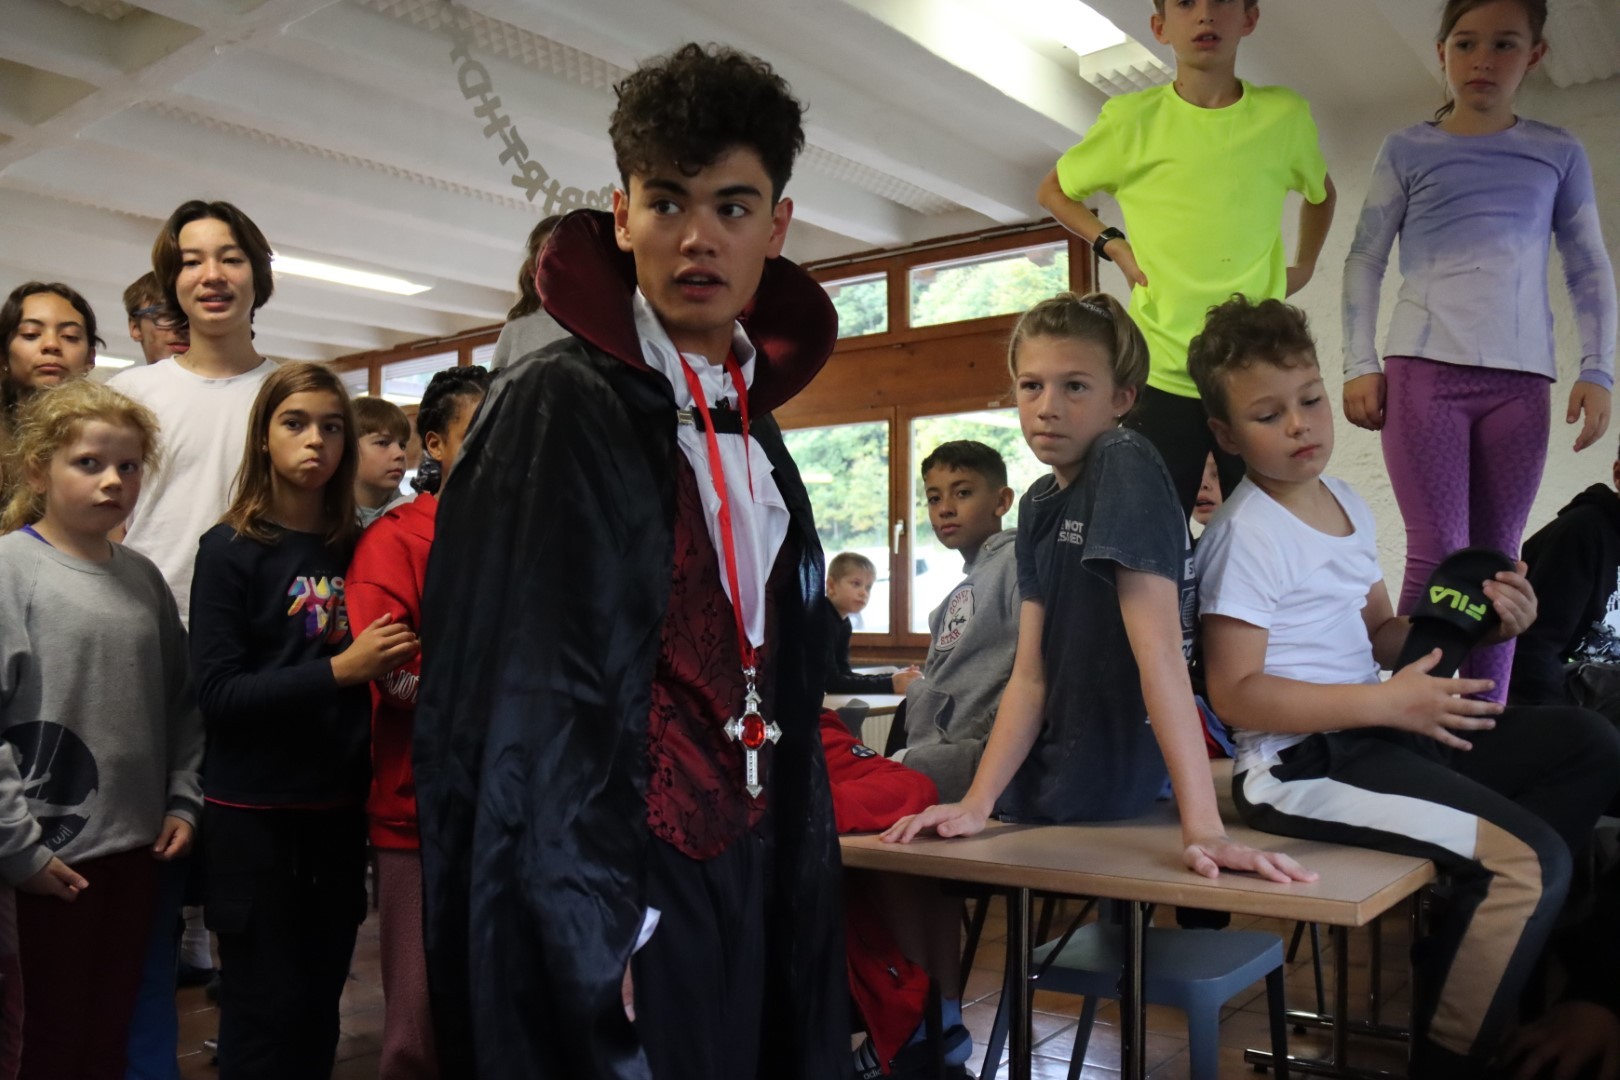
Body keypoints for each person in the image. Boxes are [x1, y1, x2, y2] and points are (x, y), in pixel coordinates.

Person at [413, 43, 848, 1080]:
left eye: (733, 207)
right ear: (621, 216)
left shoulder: (752, 418)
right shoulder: (556, 401)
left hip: (757, 844)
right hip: (625, 873)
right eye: (666, 203)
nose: (698, 237)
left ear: (778, 226)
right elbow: (521, 698)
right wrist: (582, 922)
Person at [1187, 294, 1620, 1078]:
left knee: (1588, 742)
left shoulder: (1347, 504)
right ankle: (1449, 1058)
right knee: (1530, 862)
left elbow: (1384, 635)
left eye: (1311, 400)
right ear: (1225, 434)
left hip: (1375, 735)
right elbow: (1236, 692)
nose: (1300, 426)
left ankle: (1466, 913)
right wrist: (1385, 703)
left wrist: (1493, 629)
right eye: (1268, 415)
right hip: (1298, 766)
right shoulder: (1243, 534)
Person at [884, 292, 1312, 893]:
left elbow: (1161, 655)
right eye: (1031, 386)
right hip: (1043, 766)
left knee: (856, 778)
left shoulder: (1122, 457)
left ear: (1122, 399)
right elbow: (1030, 677)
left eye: (1075, 387)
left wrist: (1204, 829)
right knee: (868, 791)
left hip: (1090, 777)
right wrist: (977, 803)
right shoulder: (1037, 504)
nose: (1048, 408)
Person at [1341, 0, 1616, 703]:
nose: (1482, 60)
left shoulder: (1556, 151)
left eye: (1504, 44)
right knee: (1438, 550)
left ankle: (1486, 727)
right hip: (1423, 373)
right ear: (1442, 52)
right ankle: (1411, 719)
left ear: (1535, 55)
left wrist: (1599, 368)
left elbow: (1589, 264)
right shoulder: (1407, 148)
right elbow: (1365, 257)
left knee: (1499, 563)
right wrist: (1359, 363)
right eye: (1465, 44)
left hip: (1520, 383)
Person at [188, 362, 418, 1079]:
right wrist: (340, 671)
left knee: (320, 1008)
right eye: (295, 423)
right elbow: (219, 694)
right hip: (254, 814)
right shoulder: (229, 550)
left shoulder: (358, 547)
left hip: (337, 810)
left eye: (331, 426)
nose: (315, 440)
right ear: (264, 437)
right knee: (261, 1013)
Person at [1035, 0, 1335, 518]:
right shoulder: (1131, 121)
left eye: (1221, 2)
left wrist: (1305, 265)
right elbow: (1053, 191)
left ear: (1249, 18)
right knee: (1151, 536)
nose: (1205, 15)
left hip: (1254, 372)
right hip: (1161, 371)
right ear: (1159, 26)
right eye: (1186, 3)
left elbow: (1321, 194)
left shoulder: (1284, 116)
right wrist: (1113, 244)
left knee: (1271, 532)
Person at [109, 199, 282, 1079]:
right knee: (148, 901)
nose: (210, 275)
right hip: (148, 668)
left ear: (258, 272)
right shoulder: (133, 396)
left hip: (261, 677)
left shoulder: (293, 393)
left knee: (254, 911)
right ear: (171, 280)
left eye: (229, 256)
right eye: (189, 260)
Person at [0, 379, 202, 1080]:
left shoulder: (144, 578)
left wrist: (182, 800)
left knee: (110, 1030)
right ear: (38, 470)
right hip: (42, 864)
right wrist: (19, 852)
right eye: (88, 463)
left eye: (129, 466)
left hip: (135, 854)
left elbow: (182, 703)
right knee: (41, 1042)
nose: (113, 480)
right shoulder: (10, 569)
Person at [345, 364, 489, 1080]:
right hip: (418, 808)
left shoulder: (531, 535)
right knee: (418, 1019)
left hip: (515, 805)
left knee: (497, 996)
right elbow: (393, 674)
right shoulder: (396, 539)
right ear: (435, 442)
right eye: (479, 431)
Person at [894, 440, 1017, 803]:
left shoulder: (1017, 563)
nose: (945, 509)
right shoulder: (973, 579)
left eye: (962, 493)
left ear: (1002, 501)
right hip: (936, 753)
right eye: (934, 498)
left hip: (972, 763)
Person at [1513, 452, 1620, 716]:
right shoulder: (1582, 531)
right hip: (1565, 701)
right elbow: (1534, 649)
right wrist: (1554, 728)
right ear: (1618, 474)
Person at [1, 282, 100, 499]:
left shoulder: (109, 434)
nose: (51, 345)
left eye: (70, 336)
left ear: (90, 358)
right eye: (31, 334)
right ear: (3, 355)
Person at [817, 551, 921, 696]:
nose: (863, 593)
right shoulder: (821, 618)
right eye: (856, 584)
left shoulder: (844, 623)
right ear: (831, 585)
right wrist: (889, 684)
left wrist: (892, 678)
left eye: (868, 587)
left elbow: (844, 674)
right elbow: (831, 683)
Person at [489, 214, 570, 370]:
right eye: (549, 254)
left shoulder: (598, 327)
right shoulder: (516, 331)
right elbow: (498, 383)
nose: (559, 262)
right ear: (533, 269)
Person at [351, 395, 414, 527]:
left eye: (402, 445)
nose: (400, 454)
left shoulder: (415, 515)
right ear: (349, 449)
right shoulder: (318, 520)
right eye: (382, 443)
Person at [122, 272, 189, 365]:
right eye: (167, 315)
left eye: (194, 318)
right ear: (135, 328)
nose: (183, 326)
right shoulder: (128, 375)